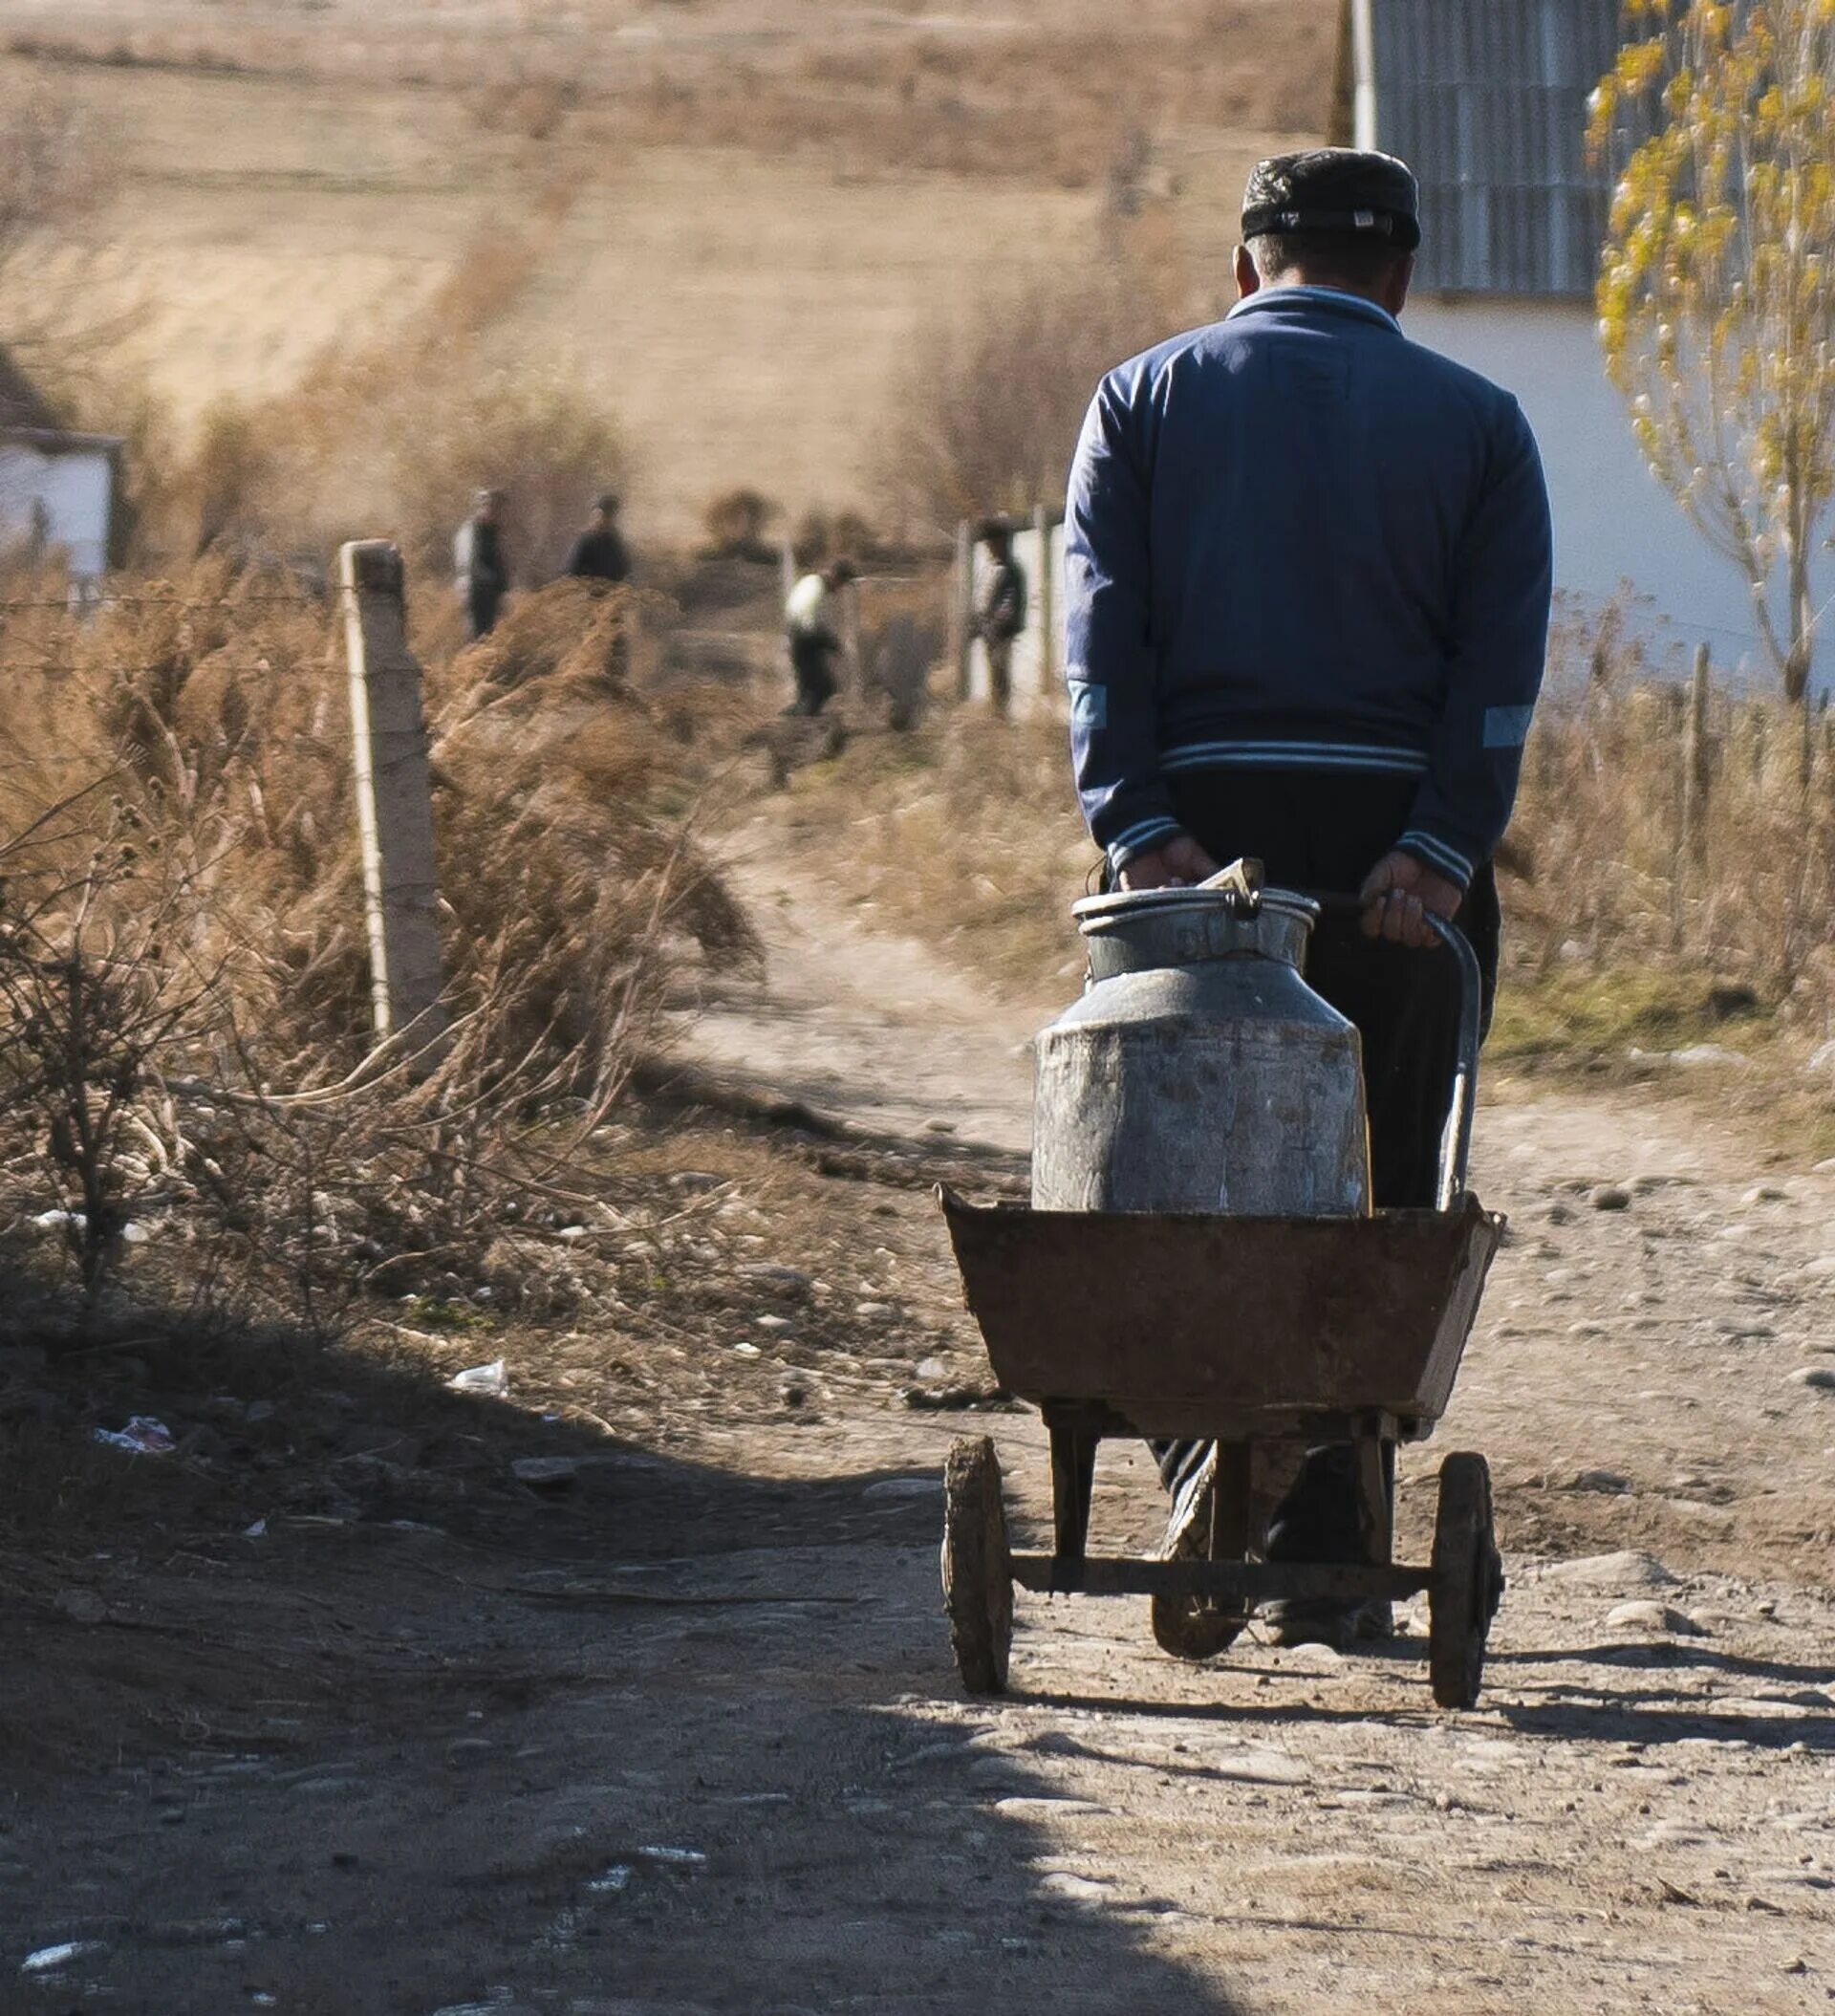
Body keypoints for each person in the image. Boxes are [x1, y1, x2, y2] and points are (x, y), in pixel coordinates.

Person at [1064, 147, 1553, 1656]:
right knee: (1377, 1178)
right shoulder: (1480, 425)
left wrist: (1139, 825)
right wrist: (1440, 852)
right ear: (1399, 277)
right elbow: (1495, 672)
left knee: (1164, 1169)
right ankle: (1325, 1536)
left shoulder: (1142, 400)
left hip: (1198, 851)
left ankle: (1211, 1466)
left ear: (1243, 267)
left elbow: (1098, 632)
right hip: (1390, 861)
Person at [783, 557, 856, 717]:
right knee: (825, 688)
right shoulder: (818, 589)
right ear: (837, 577)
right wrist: (833, 644)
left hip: (799, 638)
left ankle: (800, 718)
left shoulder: (811, 581)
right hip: (805, 640)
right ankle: (802, 720)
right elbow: (811, 623)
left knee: (809, 692)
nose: (840, 590)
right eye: (842, 584)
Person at [974, 523, 1028, 715]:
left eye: (992, 542)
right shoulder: (990, 569)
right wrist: (978, 627)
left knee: (1000, 677)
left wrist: (996, 627)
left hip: (1001, 634)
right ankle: (996, 714)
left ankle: (1001, 716)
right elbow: (981, 600)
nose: (989, 547)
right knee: (993, 677)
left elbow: (1009, 605)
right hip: (988, 633)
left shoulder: (1011, 571)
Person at [454, 488, 510, 640]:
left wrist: (503, 590)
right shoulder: (471, 531)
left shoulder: (492, 532)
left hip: (490, 596)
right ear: (483, 507)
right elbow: (470, 565)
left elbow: (498, 564)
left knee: (490, 639)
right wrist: (492, 583)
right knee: (477, 640)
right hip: (475, 594)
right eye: (494, 508)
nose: (499, 513)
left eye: (500, 509)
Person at [563, 493, 633, 585]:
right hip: (586, 591)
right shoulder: (587, 541)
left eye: (610, 516)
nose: (605, 520)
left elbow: (625, 571)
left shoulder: (617, 542)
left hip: (613, 592)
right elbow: (573, 571)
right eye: (602, 515)